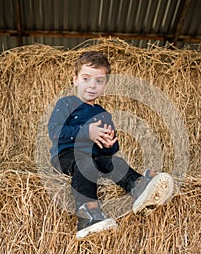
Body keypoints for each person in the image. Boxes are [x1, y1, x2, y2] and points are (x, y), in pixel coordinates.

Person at [48, 51, 173, 239]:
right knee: (84, 163)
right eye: (86, 78)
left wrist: (109, 145)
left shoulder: (103, 114)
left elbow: (111, 147)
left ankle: (138, 187)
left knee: (115, 161)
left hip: (95, 157)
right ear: (75, 80)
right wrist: (86, 132)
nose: (92, 85)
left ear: (105, 85)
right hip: (67, 155)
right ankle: (88, 215)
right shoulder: (66, 104)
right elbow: (55, 131)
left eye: (99, 81)